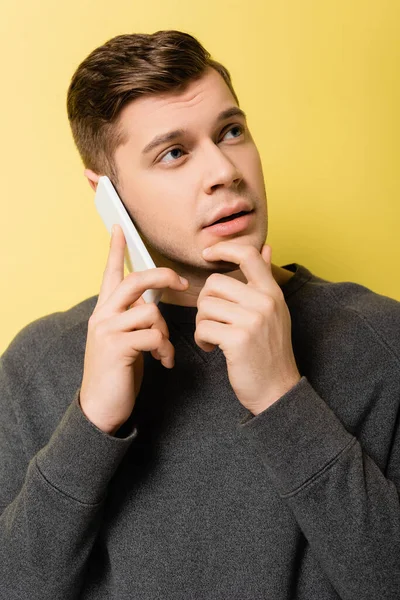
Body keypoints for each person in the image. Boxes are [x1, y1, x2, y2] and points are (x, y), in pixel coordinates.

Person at [0, 29, 399, 600]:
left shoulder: (383, 341)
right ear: (106, 194)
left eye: (231, 131)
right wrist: (88, 427)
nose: (224, 170)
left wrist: (283, 400)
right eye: (174, 152)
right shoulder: (34, 367)